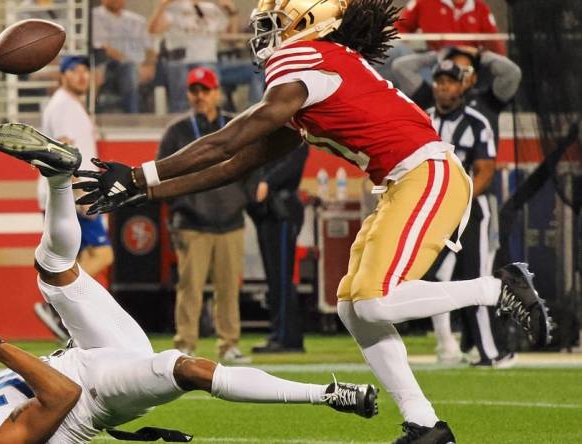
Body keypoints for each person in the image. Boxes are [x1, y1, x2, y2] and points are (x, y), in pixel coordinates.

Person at [67, 1, 552, 442]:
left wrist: (137, 173)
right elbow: (236, 164)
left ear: (307, 23)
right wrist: (144, 192)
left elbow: (226, 142)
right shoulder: (315, 77)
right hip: (406, 180)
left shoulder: (304, 59)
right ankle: (424, 423)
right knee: (353, 309)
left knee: (376, 302)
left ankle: (498, 288)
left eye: (274, 24)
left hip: (427, 173)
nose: (265, 35)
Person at [0, 131, 380, 443]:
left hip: (92, 355)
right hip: (95, 389)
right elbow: (63, 395)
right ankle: (327, 394)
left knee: (51, 268)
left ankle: (60, 177)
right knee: (183, 366)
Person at [424, 60, 513, 367]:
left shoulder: (477, 121)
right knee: (434, 277)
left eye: (449, 81)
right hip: (435, 210)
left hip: (472, 210)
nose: (443, 87)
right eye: (438, 81)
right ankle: (447, 344)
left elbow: (485, 170)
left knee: (475, 278)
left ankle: (492, 352)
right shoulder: (423, 120)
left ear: (462, 85)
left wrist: (458, 199)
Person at [157, 67, 248, 362]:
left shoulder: (233, 125)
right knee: (190, 289)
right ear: (188, 94)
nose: (200, 96)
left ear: (217, 92)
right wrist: (178, 211)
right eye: (194, 91)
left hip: (231, 220)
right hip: (192, 222)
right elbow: (162, 173)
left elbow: (252, 164)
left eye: (205, 90)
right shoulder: (177, 132)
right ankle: (185, 345)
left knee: (228, 289)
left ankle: (229, 344)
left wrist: (243, 197)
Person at [35, 55, 113, 340]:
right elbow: (66, 150)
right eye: (74, 71)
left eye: (84, 71)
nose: (81, 76)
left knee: (73, 260)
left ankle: (67, 317)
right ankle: (52, 302)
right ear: (62, 76)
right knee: (104, 253)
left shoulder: (67, 105)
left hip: (69, 193)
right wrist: (81, 192)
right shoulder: (65, 106)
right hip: (73, 194)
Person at [248, 144, 309, 354]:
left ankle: (286, 337)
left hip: (281, 210)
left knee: (281, 278)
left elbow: (293, 161)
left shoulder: (295, 136)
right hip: (268, 210)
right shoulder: (271, 135)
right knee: (276, 278)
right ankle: (282, 334)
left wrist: (267, 181)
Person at [392, 45, 522, 141]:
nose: (459, 75)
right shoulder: (434, 94)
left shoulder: (488, 100)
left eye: (465, 70)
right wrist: (437, 56)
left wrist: (481, 55)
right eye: (453, 70)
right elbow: (400, 67)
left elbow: (512, 73)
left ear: (474, 77)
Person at [148, 0, 235, 112]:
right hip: (181, 61)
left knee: (210, 99)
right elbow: (153, 30)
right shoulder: (174, 8)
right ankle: (179, 124)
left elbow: (230, 38)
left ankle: (211, 124)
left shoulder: (213, 8)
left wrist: (232, 12)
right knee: (181, 102)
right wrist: (162, 5)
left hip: (207, 60)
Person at [92, 0, 156, 113]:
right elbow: (105, 48)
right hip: (109, 65)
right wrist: (134, 64)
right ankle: (132, 117)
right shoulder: (94, 16)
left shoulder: (137, 20)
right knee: (129, 70)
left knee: (170, 68)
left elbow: (150, 48)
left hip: (139, 66)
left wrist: (149, 65)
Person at [395, 0, 506, 55]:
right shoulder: (424, 2)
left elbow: (495, 45)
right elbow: (400, 28)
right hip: (433, 60)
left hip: (471, 62)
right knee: (397, 53)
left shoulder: (481, 8)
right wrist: (412, 45)